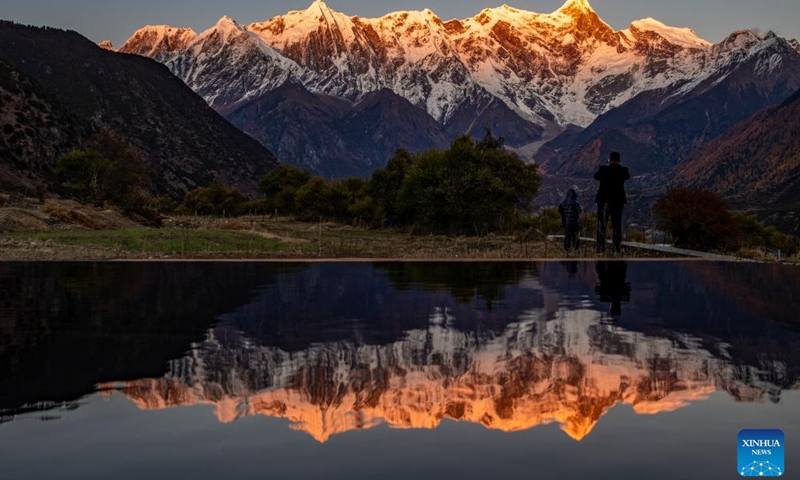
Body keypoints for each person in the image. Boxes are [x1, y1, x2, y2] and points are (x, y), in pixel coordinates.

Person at [594, 151, 630, 253]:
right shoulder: (623, 170)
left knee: (602, 223)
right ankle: (617, 247)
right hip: (618, 201)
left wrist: (607, 164)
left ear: (609, 159)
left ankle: (600, 247)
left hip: (603, 200)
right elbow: (627, 176)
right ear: (619, 159)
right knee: (616, 224)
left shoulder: (603, 169)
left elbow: (596, 176)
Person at [558, 186, 582, 253]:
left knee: (567, 236)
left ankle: (567, 249)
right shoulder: (575, 203)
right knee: (575, 236)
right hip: (575, 223)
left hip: (566, 223)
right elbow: (579, 211)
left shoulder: (563, 203)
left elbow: (560, 210)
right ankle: (576, 249)